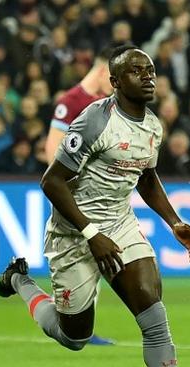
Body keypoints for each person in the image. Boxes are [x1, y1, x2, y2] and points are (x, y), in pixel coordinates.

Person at [0, 45, 190, 367]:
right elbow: (52, 181)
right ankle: (18, 280)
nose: (147, 76)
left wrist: (174, 222)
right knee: (74, 336)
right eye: (136, 71)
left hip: (119, 224)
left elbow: (145, 176)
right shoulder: (94, 121)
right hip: (74, 232)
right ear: (114, 82)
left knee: (153, 311)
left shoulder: (154, 126)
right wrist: (91, 233)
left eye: (151, 70)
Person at [44, 47, 116, 345]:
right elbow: (52, 147)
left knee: (96, 257)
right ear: (101, 72)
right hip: (73, 194)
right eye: (113, 81)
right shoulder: (71, 102)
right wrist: (64, 186)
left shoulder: (101, 102)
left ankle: (81, 324)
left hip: (96, 193)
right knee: (76, 256)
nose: (115, 88)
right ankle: (68, 319)